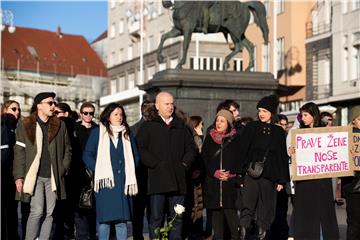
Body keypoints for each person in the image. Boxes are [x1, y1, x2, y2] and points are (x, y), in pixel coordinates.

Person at [136, 91, 196, 240]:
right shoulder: (148, 126)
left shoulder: (181, 126)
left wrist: (184, 163)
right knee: (156, 218)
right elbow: (140, 149)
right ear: (157, 106)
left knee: (177, 218)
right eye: (166, 104)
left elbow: (191, 149)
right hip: (157, 180)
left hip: (178, 180)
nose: (170, 107)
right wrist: (155, 163)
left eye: (171, 104)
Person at [13, 92, 72, 240]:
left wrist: (63, 168)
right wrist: (18, 176)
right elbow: (19, 151)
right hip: (34, 176)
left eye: (54, 103)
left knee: (50, 213)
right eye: (50, 103)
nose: (53, 106)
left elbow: (68, 149)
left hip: (53, 176)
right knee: (38, 211)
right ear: (39, 105)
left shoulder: (60, 124)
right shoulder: (26, 123)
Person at [235, 95, 289, 240]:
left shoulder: (278, 132)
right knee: (247, 205)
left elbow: (281, 157)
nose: (261, 114)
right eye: (259, 110)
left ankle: (262, 234)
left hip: (269, 176)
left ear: (271, 112)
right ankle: (244, 232)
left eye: (264, 110)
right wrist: (240, 175)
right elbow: (243, 152)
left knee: (267, 208)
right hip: (251, 174)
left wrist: (281, 180)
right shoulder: (251, 127)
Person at [83, 103, 140, 240]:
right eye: (115, 114)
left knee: (121, 222)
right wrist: (99, 169)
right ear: (108, 116)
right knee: (104, 222)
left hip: (122, 184)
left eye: (121, 114)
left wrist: (129, 171)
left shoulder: (127, 133)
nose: (119, 117)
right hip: (106, 184)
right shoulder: (98, 132)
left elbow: (135, 156)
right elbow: (87, 155)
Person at [288, 102, 339, 240]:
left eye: (305, 115)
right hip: (305, 182)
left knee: (323, 214)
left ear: (313, 115)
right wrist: (292, 152)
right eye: (301, 115)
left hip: (322, 181)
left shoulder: (325, 132)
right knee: (306, 214)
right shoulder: (299, 134)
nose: (302, 118)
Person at [202, 110, 243, 240]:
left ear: (229, 123)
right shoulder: (209, 138)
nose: (219, 123)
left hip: (229, 187)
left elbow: (241, 161)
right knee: (217, 230)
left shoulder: (236, 139)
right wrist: (214, 172)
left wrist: (232, 175)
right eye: (217, 120)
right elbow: (204, 159)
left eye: (222, 121)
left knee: (233, 227)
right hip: (213, 187)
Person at [53, 102, 78, 240]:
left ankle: (62, 232)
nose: (55, 115)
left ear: (66, 113)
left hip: (65, 173)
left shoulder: (64, 126)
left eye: (58, 113)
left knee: (62, 207)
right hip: (69, 173)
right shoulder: (74, 127)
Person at [73, 102, 98, 240]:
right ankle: (82, 236)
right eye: (86, 113)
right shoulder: (75, 128)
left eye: (91, 113)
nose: (88, 116)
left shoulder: (98, 129)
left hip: (94, 171)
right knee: (79, 207)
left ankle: (92, 235)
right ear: (81, 113)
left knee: (92, 206)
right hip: (78, 171)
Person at [130, 100, 154, 240]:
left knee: (142, 212)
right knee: (145, 211)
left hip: (144, 175)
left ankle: (139, 236)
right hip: (142, 174)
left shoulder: (133, 128)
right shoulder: (134, 129)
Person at [1, 100, 21, 240]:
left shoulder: (15, 126)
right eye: (13, 109)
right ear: (5, 110)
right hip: (5, 174)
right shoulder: (4, 124)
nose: (17, 112)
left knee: (11, 209)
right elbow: (5, 152)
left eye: (18, 109)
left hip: (11, 175)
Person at [268, 114, 290, 240]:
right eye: (281, 124)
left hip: (283, 180)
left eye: (285, 125)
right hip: (271, 180)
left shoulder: (287, 138)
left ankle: (281, 233)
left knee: (281, 209)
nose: (283, 127)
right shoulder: (271, 138)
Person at [183, 116, 205, 239]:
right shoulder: (196, 139)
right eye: (201, 124)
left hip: (191, 175)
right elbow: (199, 155)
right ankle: (194, 231)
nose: (203, 126)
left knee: (193, 204)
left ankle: (191, 231)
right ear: (196, 125)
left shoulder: (190, 137)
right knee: (196, 205)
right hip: (195, 176)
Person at [342, 105, 360, 240]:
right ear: (353, 120)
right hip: (353, 186)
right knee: (354, 222)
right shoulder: (345, 137)